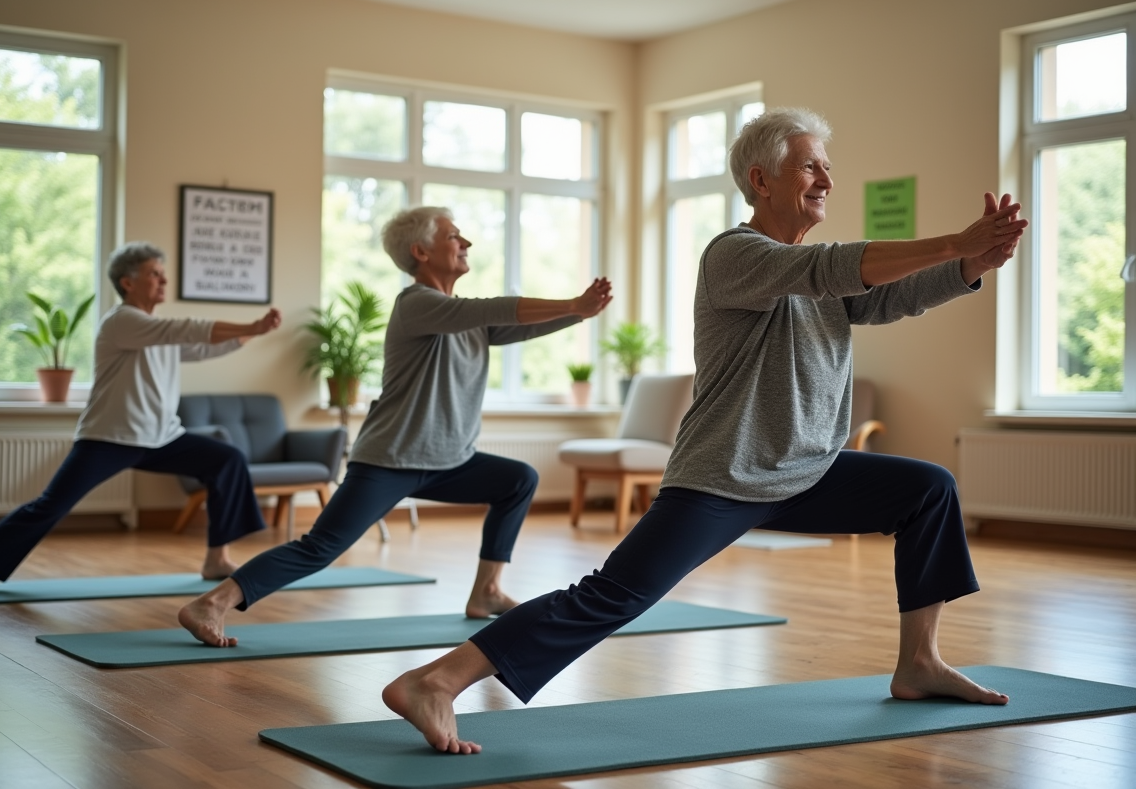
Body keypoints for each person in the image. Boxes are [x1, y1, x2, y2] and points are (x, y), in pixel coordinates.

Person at [381, 108, 1030, 754]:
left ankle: (918, 663)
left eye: (829, 167)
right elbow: (833, 268)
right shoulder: (735, 254)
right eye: (810, 166)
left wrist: (970, 267)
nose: (827, 179)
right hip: (726, 472)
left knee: (927, 490)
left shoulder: (813, 272)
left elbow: (885, 297)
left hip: (808, 468)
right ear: (762, 179)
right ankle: (434, 680)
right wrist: (955, 242)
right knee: (612, 595)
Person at [178, 206, 613, 646]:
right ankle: (210, 604)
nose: (466, 244)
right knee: (320, 548)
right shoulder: (418, 304)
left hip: (450, 460)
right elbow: (494, 308)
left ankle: (486, 591)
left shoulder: (468, 320)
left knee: (518, 480)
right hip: (391, 459)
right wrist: (573, 304)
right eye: (453, 236)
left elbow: (513, 324)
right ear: (420, 252)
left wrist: (580, 314)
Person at [0, 242, 281, 595]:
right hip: (110, 437)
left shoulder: (153, 328)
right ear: (128, 282)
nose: (164, 279)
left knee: (226, 460)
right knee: (51, 505)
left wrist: (253, 333)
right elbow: (185, 330)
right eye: (155, 273)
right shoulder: (124, 321)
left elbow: (199, 346)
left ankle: (216, 559)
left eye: (162, 273)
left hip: (161, 437)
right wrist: (252, 325)